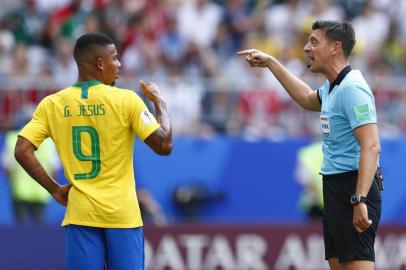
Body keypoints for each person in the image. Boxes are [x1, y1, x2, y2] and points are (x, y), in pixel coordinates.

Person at [14, 33, 172, 270]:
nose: (119, 64)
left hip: (81, 214)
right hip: (122, 215)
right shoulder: (126, 100)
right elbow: (164, 146)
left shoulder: (52, 104)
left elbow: (22, 150)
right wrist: (160, 105)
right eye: (115, 58)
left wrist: (55, 189)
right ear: (100, 64)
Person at [238, 20, 382, 270]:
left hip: (354, 188)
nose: (306, 48)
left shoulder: (353, 89)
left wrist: (359, 199)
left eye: (314, 41)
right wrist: (271, 62)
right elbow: (306, 98)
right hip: (336, 188)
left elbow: (371, 146)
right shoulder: (332, 88)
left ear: (335, 47)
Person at [2, 107, 60, 224]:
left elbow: (7, 168)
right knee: (38, 233)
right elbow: (55, 168)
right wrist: (50, 186)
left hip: (20, 192)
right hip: (41, 191)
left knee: (20, 232)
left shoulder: (12, 138)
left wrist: (13, 182)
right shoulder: (48, 141)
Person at [295, 140, 323, 220]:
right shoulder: (335, 150)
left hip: (314, 202)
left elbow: (302, 178)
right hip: (335, 200)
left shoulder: (306, 152)